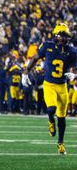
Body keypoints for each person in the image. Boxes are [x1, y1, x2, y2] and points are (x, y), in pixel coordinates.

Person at [23, 23, 77, 154]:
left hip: (62, 85)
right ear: (56, 35)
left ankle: (61, 143)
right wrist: (26, 72)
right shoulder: (47, 46)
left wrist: (75, 74)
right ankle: (50, 121)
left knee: (62, 117)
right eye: (62, 35)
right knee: (51, 109)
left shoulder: (71, 50)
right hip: (49, 84)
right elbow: (35, 58)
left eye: (66, 36)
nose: (64, 38)